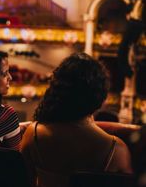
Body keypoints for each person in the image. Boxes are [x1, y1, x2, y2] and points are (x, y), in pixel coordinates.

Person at [20, 52, 133, 187]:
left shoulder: (34, 133)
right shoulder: (116, 150)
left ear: (56, 89)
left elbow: (21, 180)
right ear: (100, 95)